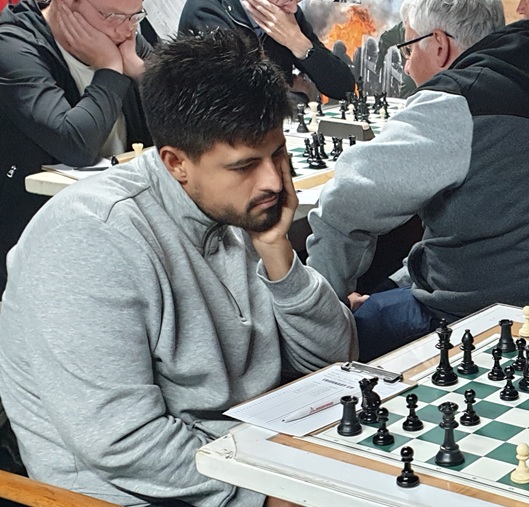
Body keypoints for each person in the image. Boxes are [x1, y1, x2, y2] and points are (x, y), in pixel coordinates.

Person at [0, 30, 356, 507]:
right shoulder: (90, 236)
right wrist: (261, 494)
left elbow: (334, 363)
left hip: (254, 456)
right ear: (175, 162)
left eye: (277, 154)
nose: (273, 181)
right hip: (136, 495)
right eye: (244, 165)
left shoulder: (239, 209)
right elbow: (121, 441)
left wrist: (278, 253)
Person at [306, 0, 529, 362]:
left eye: (408, 49)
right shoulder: (516, 68)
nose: (407, 65)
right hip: (503, 294)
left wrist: (323, 310)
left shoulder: (457, 101)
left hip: (474, 318)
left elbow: (343, 204)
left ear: (439, 45)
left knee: (305, 344)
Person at [0, 0, 152, 296]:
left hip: (122, 230)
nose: (126, 29)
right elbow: (75, 144)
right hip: (40, 245)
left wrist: (141, 72)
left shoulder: (127, 33)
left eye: (136, 16)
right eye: (112, 16)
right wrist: (111, 69)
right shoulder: (13, 45)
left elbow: (188, 124)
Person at [177, 0, 355, 103]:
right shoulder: (206, 10)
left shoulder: (286, 13)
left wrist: (298, 43)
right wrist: (296, 94)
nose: (294, 7)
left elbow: (343, 87)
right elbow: (235, 100)